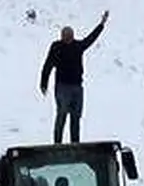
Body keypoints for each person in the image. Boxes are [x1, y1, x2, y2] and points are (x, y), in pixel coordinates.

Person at [40, 11, 108, 143]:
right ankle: (57, 144)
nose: (68, 38)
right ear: (62, 36)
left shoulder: (78, 46)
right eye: (66, 36)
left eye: (70, 36)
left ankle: (75, 144)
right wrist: (43, 83)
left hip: (77, 88)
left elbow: (91, 39)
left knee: (76, 118)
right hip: (62, 88)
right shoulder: (56, 47)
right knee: (61, 116)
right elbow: (47, 65)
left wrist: (102, 24)